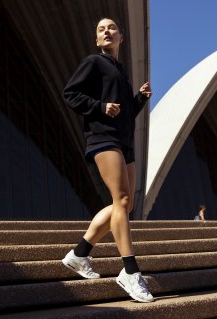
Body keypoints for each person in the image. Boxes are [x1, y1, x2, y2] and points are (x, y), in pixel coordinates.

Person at [60, 17, 154, 303]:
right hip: (103, 138)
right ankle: (129, 270)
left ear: (121, 37)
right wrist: (100, 107)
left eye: (111, 28)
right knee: (122, 199)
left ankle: (79, 254)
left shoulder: (121, 73)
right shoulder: (94, 62)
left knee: (124, 204)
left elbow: (123, 113)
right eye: (101, 29)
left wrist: (138, 99)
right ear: (97, 40)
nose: (106, 31)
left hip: (124, 142)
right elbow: (70, 94)